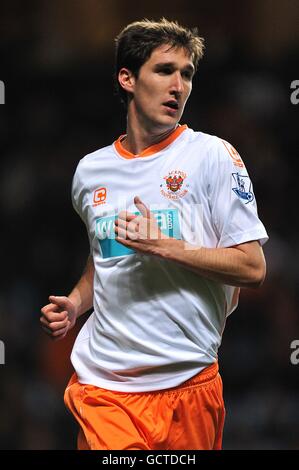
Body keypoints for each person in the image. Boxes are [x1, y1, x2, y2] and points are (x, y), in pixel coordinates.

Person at [40, 18, 268, 450]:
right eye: (164, 71)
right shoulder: (90, 171)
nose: (178, 86)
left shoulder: (212, 156)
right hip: (105, 386)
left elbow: (252, 267)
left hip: (188, 384)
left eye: (187, 74)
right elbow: (104, 256)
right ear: (127, 78)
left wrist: (166, 247)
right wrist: (76, 301)